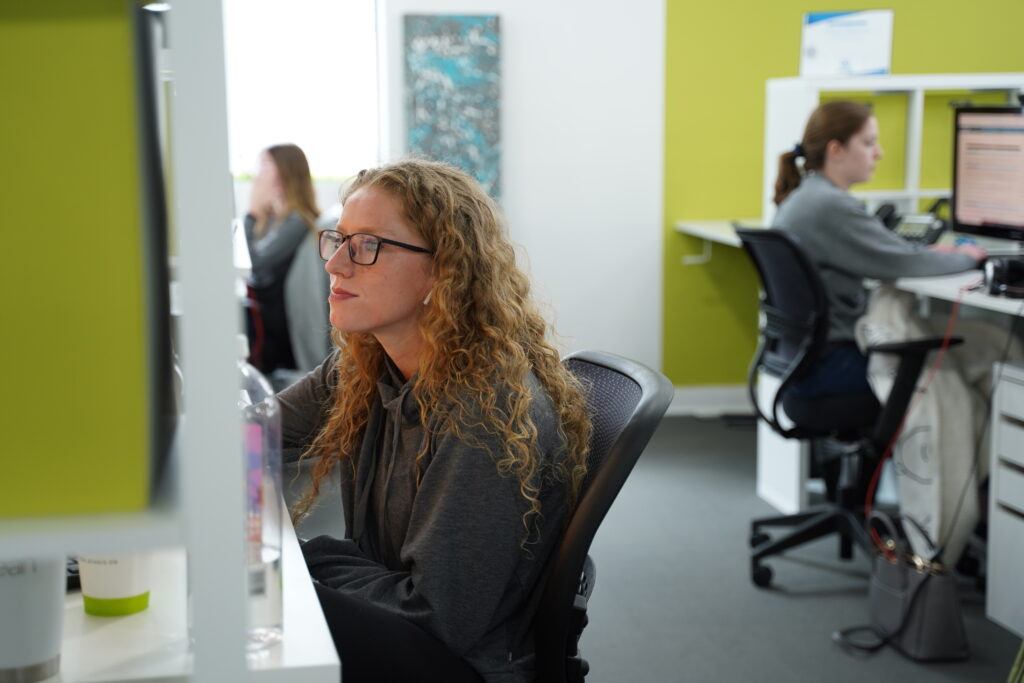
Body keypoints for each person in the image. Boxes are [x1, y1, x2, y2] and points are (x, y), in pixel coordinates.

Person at [276, 159, 592, 682]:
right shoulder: (365, 364)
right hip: (392, 625)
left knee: (251, 598)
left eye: (368, 246)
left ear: (444, 269)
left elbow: (439, 619)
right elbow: (255, 431)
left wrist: (312, 560)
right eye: (339, 239)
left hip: (452, 663)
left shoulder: (485, 416)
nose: (335, 265)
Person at [771, 100, 987, 398]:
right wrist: (969, 258)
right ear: (836, 150)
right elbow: (905, 264)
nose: (879, 153)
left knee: (967, 345)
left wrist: (934, 253)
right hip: (833, 363)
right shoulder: (830, 206)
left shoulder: (807, 197)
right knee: (973, 357)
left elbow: (898, 254)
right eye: (869, 143)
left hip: (805, 360)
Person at [244, 143, 325, 375]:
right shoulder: (276, 221)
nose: (257, 175)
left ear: (283, 173)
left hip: (278, 332)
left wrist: (252, 213)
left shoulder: (298, 221)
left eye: (264, 166)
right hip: (269, 320)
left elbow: (255, 266)